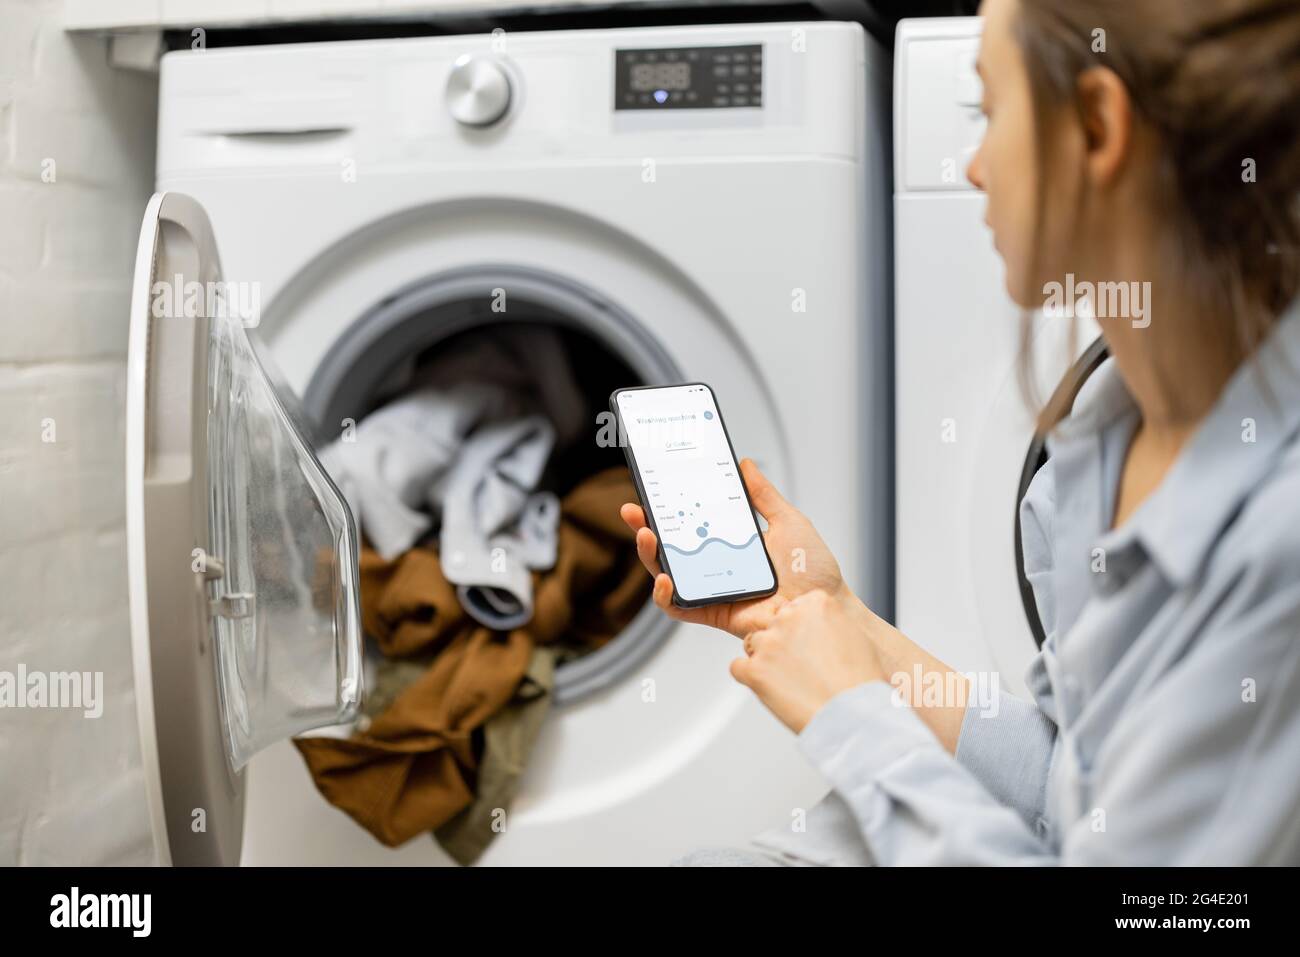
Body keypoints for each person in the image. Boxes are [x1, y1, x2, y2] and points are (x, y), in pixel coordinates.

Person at [621, 0, 1300, 865]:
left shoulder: (1277, 535)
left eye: (987, 113)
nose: (974, 166)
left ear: (1097, 127)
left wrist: (854, 717)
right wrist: (836, 620)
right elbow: (1074, 790)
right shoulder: (1092, 456)